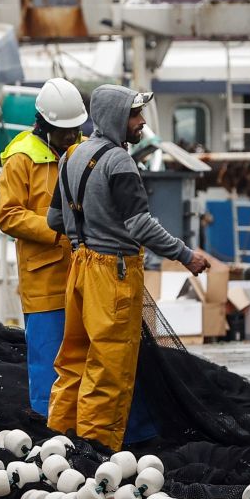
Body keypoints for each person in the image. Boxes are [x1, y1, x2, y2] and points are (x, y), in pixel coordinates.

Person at [46, 85, 208, 450]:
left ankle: (58, 447)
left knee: (72, 362)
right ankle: (94, 454)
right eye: (135, 115)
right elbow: (139, 225)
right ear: (116, 117)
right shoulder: (120, 162)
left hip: (79, 269)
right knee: (109, 369)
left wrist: (85, 230)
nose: (141, 123)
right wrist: (185, 255)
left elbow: (54, 219)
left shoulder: (70, 156)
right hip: (111, 275)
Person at [0, 77, 87, 416]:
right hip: (44, 282)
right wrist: (56, 230)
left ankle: (85, 430)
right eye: (64, 131)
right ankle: (49, 434)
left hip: (85, 277)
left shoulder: (82, 149)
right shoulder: (21, 159)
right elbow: (8, 215)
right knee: (48, 364)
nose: (71, 137)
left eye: (75, 129)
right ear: (44, 125)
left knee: (86, 361)